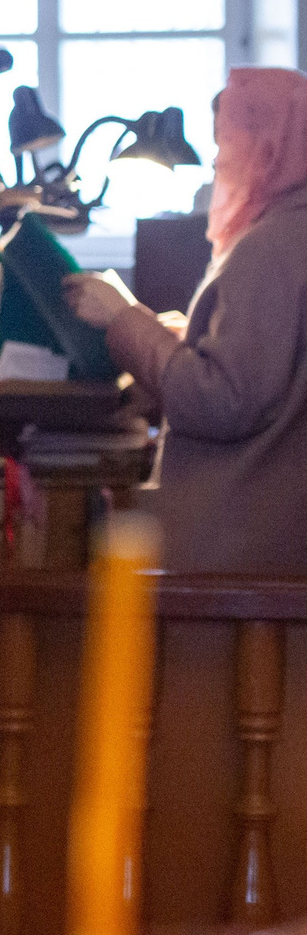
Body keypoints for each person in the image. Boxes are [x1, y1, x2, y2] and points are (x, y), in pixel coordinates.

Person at [64, 66, 307, 574]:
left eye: (226, 142)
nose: (216, 160)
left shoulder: (269, 247)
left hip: (240, 547)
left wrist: (124, 317)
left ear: (268, 146)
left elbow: (223, 401)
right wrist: (182, 337)